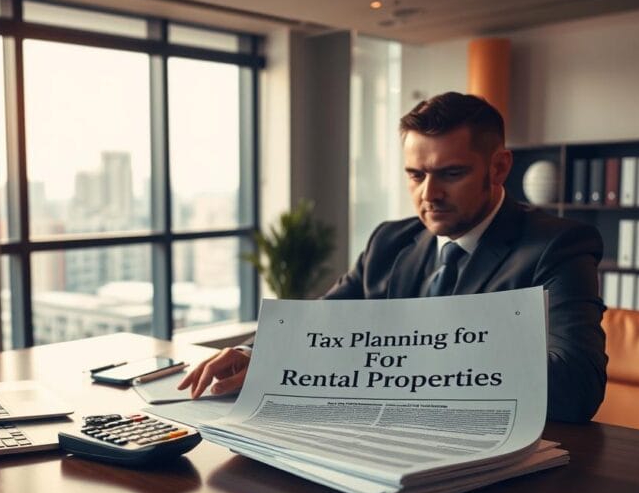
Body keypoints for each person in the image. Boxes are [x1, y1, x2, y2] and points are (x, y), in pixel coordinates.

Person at [178, 91, 607, 423]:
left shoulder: (558, 246)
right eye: (415, 175)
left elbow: (577, 388)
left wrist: (403, 359)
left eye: (451, 174)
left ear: (498, 168)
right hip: (378, 440)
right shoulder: (389, 243)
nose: (429, 194)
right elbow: (320, 325)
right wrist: (255, 353)